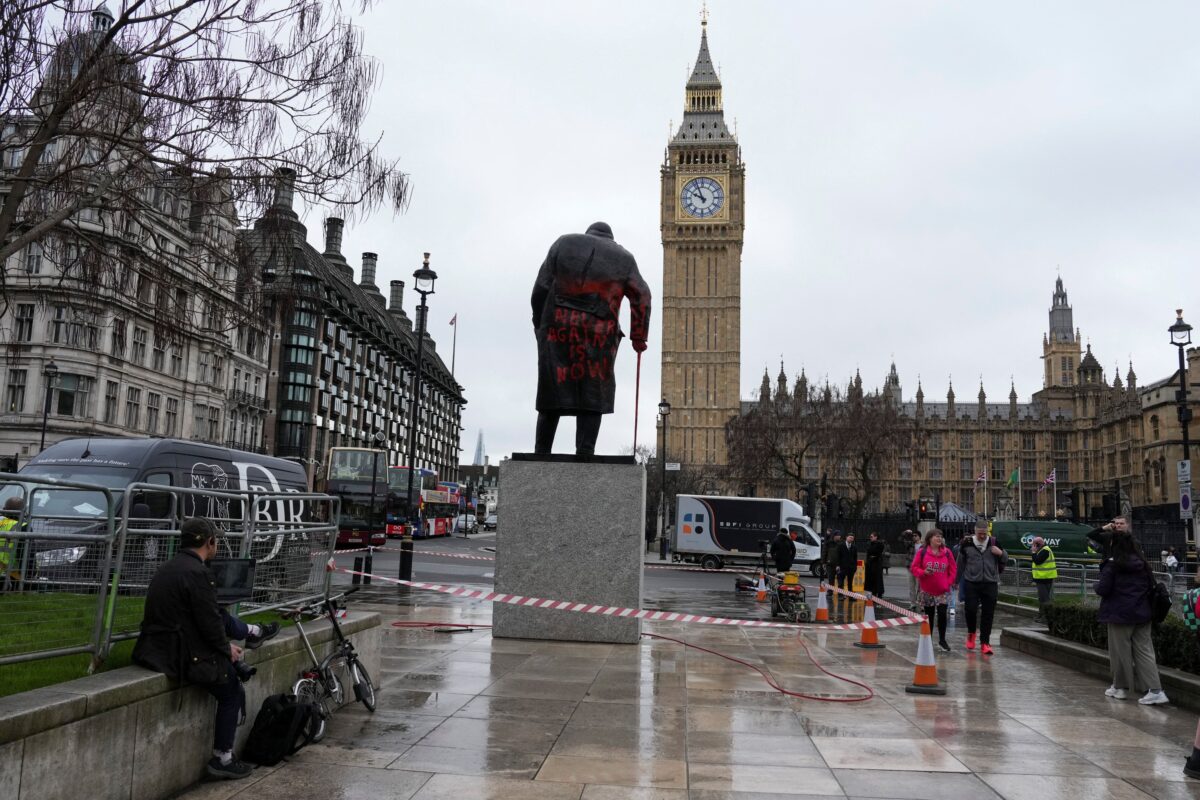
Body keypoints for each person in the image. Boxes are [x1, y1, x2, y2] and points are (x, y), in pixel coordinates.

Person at [132, 518, 277, 780]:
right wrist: (226, 650)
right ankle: (223, 758)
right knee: (231, 688)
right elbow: (208, 624)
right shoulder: (198, 574)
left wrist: (222, 644)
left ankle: (253, 631)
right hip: (177, 654)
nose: (217, 544)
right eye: (216, 540)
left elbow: (202, 618)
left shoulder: (168, 567)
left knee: (221, 619)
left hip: (154, 647)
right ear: (209, 542)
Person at [531, 221, 651, 456]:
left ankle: (541, 452)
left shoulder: (563, 242)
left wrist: (539, 324)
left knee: (551, 392)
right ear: (611, 238)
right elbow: (642, 296)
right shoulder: (624, 257)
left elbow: (541, 288)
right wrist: (639, 337)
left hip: (556, 326)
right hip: (599, 331)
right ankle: (585, 452)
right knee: (593, 393)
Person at [1095, 520, 1168, 705]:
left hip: (1119, 614)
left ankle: (1120, 687)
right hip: (1142, 613)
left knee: (1119, 652)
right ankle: (1156, 690)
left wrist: (1096, 584)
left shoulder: (1113, 565)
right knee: (1145, 652)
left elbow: (1103, 589)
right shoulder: (1142, 563)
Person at [957, 518, 1006, 655]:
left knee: (988, 613)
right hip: (972, 581)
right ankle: (971, 633)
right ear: (975, 531)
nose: (983, 536)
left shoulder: (994, 542)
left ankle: (985, 642)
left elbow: (1005, 559)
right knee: (970, 610)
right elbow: (960, 563)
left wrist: (1001, 553)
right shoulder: (966, 543)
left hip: (990, 582)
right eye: (980, 534)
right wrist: (955, 581)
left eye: (985, 533)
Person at [911, 528, 957, 651]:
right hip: (927, 590)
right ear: (930, 538)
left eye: (940, 537)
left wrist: (949, 582)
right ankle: (928, 639)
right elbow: (914, 568)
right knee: (929, 616)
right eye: (936, 536)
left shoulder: (947, 552)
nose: (939, 539)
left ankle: (942, 640)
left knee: (942, 614)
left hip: (942, 590)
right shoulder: (922, 552)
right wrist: (923, 572)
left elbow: (953, 569)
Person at [1030, 536, 1057, 623]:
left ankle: (1045, 617)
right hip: (1043, 578)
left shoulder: (1045, 551)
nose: (1033, 546)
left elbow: (1037, 561)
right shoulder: (1044, 550)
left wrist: (1033, 552)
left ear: (1038, 544)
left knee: (1044, 599)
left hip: (1044, 578)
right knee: (1042, 599)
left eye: (1034, 544)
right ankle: (1041, 615)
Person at [0, 496, 24, 590]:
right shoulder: (23, 526)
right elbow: (24, 555)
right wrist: (31, 573)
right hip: (12, 574)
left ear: (5, 509)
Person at [901, 529, 920, 609]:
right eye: (913, 536)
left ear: (919, 537)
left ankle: (921, 604)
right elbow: (901, 540)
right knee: (911, 586)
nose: (914, 537)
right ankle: (913, 603)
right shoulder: (910, 544)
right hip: (910, 568)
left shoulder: (923, 545)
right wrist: (905, 533)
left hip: (919, 569)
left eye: (916, 536)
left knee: (919, 587)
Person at [864, 532, 886, 597]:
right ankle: (872, 593)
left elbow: (876, 553)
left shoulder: (880, 544)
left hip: (877, 564)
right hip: (870, 564)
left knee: (877, 579)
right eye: (870, 536)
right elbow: (869, 553)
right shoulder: (870, 544)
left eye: (872, 536)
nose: (870, 538)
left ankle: (878, 593)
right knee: (870, 579)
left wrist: (873, 556)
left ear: (876, 537)